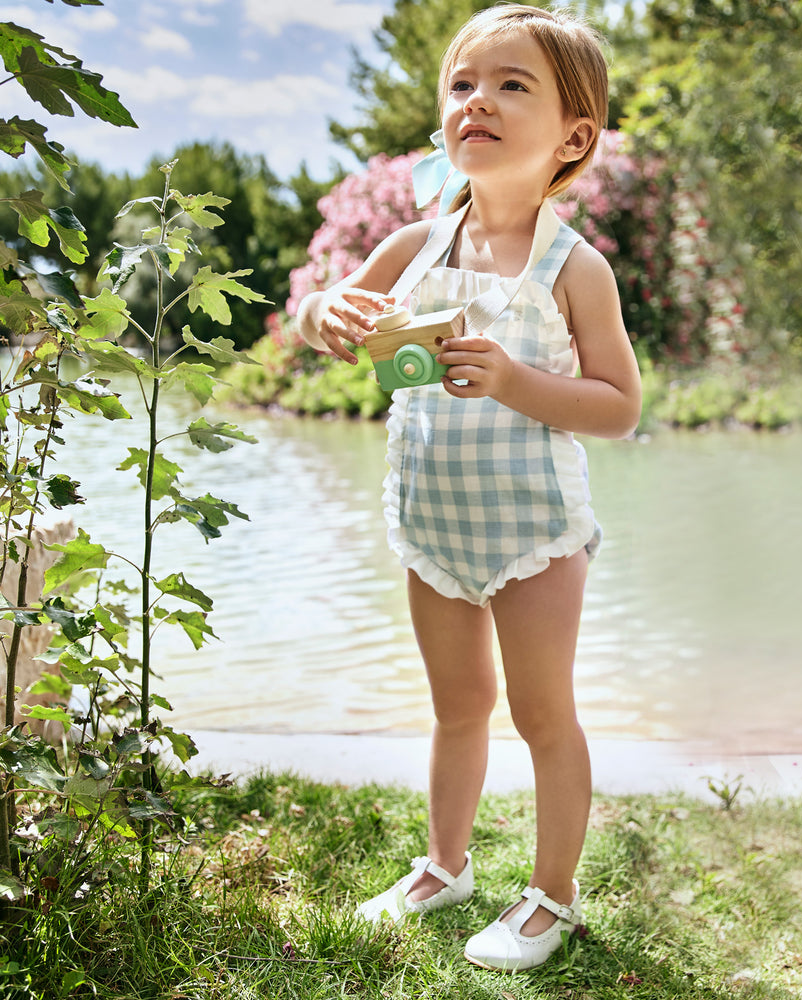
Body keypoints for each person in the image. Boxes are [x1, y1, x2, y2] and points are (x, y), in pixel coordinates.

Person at [296, 3, 642, 972]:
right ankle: (444, 865)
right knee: (455, 708)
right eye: (461, 84)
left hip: (533, 530)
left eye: (510, 84)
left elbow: (618, 406)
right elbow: (330, 311)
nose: (477, 100)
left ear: (571, 137)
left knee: (542, 715)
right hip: (431, 523)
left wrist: (515, 382)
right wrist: (328, 310)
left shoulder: (575, 269)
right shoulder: (413, 248)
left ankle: (552, 896)